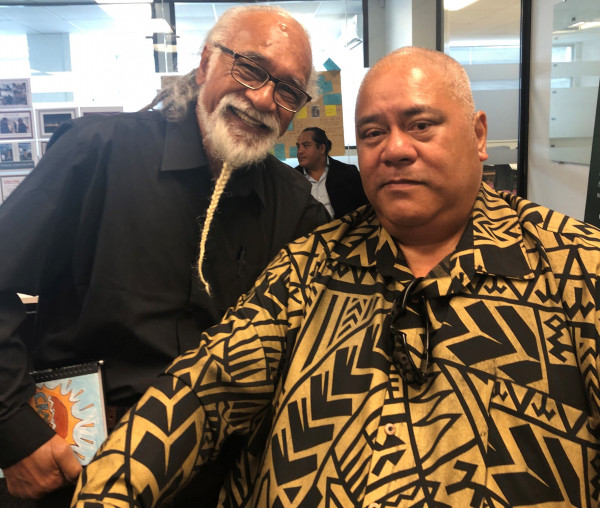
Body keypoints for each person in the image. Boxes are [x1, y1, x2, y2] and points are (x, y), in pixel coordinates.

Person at [71, 46, 600, 507]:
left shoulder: (575, 265)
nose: (394, 148)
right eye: (373, 133)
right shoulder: (313, 262)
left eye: (420, 125)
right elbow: (207, 387)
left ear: (478, 135)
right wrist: (107, 490)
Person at [0, 5, 330, 507]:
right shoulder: (97, 154)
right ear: (205, 65)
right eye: (250, 68)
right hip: (78, 473)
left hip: (228, 484)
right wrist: (14, 430)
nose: (264, 97)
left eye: (287, 90)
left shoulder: (294, 207)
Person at [295, 126, 368, 218]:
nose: (299, 151)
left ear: (322, 148)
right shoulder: (292, 178)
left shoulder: (348, 173)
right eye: (298, 146)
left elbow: (365, 209)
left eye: (306, 145)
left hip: (344, 229)